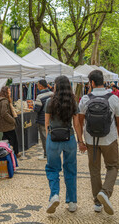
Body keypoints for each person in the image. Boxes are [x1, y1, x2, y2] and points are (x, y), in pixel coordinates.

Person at [78, 70, 119, 215]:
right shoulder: (113, 99)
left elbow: (79, 122)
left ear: (92, 83)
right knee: (112, 166)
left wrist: (80, 141)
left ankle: (97, 203)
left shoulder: (85, 99)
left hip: (91, 140)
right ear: (102, 81)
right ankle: (105, 192)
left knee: (94, 170)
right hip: (109, 140)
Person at [44, 76, 83, 214]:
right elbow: (77, 124)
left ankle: (54, 195)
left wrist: (49, 138)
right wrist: (80, 141)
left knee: (52, 168)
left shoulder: (49, 102)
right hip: (70, 138)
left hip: (53, 138)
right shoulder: (73, 102)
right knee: (71, 169)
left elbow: (47, 124)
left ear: (57, 86)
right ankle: (72, 202)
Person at [0, 86, 21, 158]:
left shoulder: (3, 100)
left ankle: (2, 152)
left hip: (5, 124)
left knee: (5, 139)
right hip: (7, 124)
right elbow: (4, 113)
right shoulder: (4, 101)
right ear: (5, 92)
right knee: (14, 139)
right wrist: (12, 120)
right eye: (9, 91)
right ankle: (16, 153)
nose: (10, 92)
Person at [34, 79, 53, 160]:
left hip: (42, 120)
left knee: (44, 138)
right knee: (51, 137)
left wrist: (34, 106)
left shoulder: (39, 96)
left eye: (38, 85)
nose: (37, 87)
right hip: (52, 119)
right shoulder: (53, 94)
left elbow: (37, 109)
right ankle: (52, 153)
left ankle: (46, 155)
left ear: (41, 86)